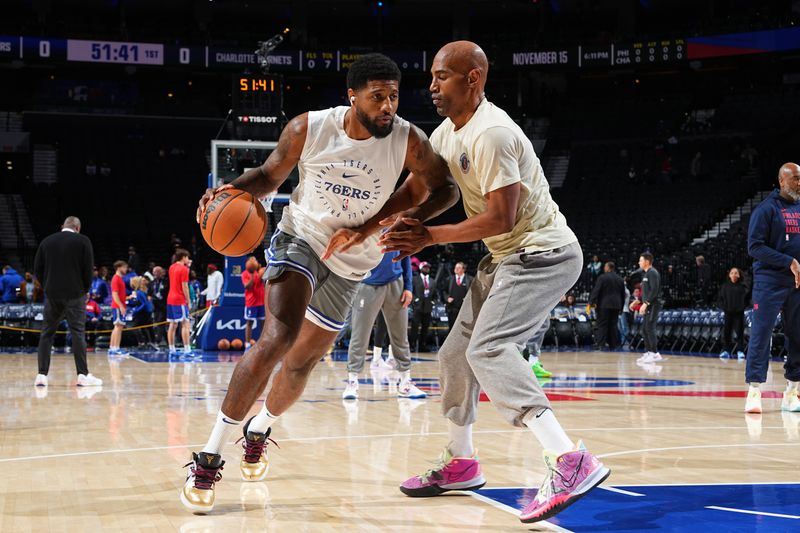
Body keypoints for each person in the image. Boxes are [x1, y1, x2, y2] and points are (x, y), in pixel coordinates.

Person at [181, 53, 457, 513]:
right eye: (377, 97)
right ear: (353, 97)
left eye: (392, 96)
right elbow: (269, 177)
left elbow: (444, 188)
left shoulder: (410, 140)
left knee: (302, 363)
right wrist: (228, 190)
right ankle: (210, 455)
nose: (387, 106)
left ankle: (260, 429)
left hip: (356, 259)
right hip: (303, 236)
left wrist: (411, 224)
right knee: (278, 336)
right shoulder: (308, 128)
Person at [382, 41, 609, 524]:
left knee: (487, 349)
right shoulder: (450, 132)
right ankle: (462, 461)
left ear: (474, 79)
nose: (433, 86)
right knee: (454, 355)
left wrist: (428, 237)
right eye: (432, 76)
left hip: (541, 254)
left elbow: (501, 217)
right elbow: (435, 190)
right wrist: (390, 220)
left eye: (442, 76)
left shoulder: (493, 134)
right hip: (507, 258)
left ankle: (570, 460)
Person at [744, 162, 800, 414]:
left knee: (797, 335)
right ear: (782, 181)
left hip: (797, 283)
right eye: (796, 179)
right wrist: (788, 261)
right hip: (769, 281)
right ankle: (754, 390)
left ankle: (792, 392)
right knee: (762, 333)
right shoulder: (766, 209)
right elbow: (754, 247)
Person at [342, 250, 426, 400]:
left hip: (396, 283)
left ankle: (405, 382)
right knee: (359, 336)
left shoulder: (399, 226)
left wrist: (408, 287)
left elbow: (406, 254)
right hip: (367, 285)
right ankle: (352, 381)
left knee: (400, 336)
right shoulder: (363, 225)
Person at [33, 216, 102, 387]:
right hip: (75, 293)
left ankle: (41, 375)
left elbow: (37, 269)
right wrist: (85, 289)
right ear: (78, 228)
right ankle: (82, 375)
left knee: (47, 333)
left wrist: (47, 287)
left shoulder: (47, 241)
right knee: (78, 332)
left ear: (62, 226)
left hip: (52, 294)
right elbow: (88, 269)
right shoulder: (83, 241)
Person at [588, 261, 626, 350]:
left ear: (608, 268)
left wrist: (591, 302)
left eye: (605, 266)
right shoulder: (620, 279)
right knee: (613, 325)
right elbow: (623, 294)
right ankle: (613, 344)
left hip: (604, 305)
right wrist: (621, 307)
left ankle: (600, 344)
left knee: (602, 324)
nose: (604, 268)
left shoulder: (602, 277)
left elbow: (596, 290)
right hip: (616, 305)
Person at [634, 252, 662, 364]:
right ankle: (649, 352)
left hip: (654, 305)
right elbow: (646, 291)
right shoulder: (645, 274)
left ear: (646, 261)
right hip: (648, 304)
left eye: (640, 260)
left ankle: (655, 353)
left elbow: (654, 290)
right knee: (644, 329)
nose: (639, 262)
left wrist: (646, 303)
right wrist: (637, 301)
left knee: (650, 328)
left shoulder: (653, 273)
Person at [717, 267, 748, 360]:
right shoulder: (725, 286)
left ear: (739, 275)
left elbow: (748, 300)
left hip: (739, 313)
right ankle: (726, 350)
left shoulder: (743, 287)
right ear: (729, 275)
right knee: (727, 332)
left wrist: (743, 307)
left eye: (736, 273)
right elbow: (720, 299)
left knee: (739, 332)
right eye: (732, 273)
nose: (734, 274)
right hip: (728, 312)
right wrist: (724, 307)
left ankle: (740, 351)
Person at [167, 249, 192, 356]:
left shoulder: (171, 267)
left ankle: (171, 349)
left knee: (173, 325)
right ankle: (187, 350)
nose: (188, 259)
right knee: (185, 324)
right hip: (179, 299)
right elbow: (184, 286)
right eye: (187, 257)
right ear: (183, 257)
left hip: (170, 299)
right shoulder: (183, 269)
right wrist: (189, 301)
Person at [409, 261, 435, 351]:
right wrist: (414, 300)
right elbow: (411, 291)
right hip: (417, 306)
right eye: (425, 267)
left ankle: (422, 345)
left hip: (428, 307)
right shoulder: (415, 279)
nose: (427, 269)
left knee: (425, 327)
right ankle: (412, 345)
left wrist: (432, 302)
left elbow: (435, 294)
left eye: (428, 267)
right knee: (415, 327)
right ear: (420, 268)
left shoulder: (432, 280)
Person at [241, 256, 266, 349]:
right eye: (252, 260)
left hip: (261, 302)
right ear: (248, 263)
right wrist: (252, 275)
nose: (255, 261)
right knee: (249, 322)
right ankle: (247, 345)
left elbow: (264, 284)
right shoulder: (244, 274)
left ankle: (263, 344)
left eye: (255, 260)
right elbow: (247, 286)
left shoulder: (259, 272)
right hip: (251, 303)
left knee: (263, 323)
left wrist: (262, 275)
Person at [129, 276, 156, 351]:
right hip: (146, 312)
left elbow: (143, 304)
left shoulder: (139, 293)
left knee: (135, 327)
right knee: (144, 327)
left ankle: (142, 342)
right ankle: (148, 342)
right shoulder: (141, 292)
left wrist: (135, 311)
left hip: (142, 313)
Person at [108, 260, 129, 356]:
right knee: (118, 327)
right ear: (119, 267)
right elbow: (114, 294)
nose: (126, 269)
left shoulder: (119, 278)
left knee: (117, 326)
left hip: (118, 305)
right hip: (117, 306)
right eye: (124, 267)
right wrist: (121, 305)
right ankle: (116, 348)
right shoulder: (116, 279)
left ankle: (112, 348)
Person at [444, 261, 471, 333]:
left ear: (463, 269)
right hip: (452, 307)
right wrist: (447, 298)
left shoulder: (470, 279)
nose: (456, 269)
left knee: (463, 328)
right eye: (455, 267)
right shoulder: (449, 279)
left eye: (458, 268)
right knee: (452, 327)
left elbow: (473, 292)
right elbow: (443, 291)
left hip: (464, 308)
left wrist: (468, 299)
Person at [150, 266, 167, 344]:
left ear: (161, 273)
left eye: (157, 272)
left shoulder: (165, 282)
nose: (155, 274)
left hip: (163, 306)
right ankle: (167, 340)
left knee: (160, 322)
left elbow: (166, 292)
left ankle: (158, 340)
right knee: (159, 323)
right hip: (154, 306)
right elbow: (149, 292)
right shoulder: (152, 283)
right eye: (154, 272)